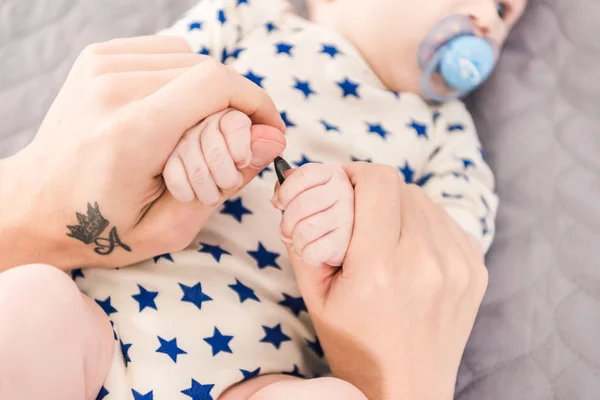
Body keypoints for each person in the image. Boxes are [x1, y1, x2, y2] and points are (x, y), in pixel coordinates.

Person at [0, 0, 526, 399]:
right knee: (29, 301)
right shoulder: (248, 18)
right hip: (96, 321)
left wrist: (357, 234)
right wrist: (191, 139)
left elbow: (445, 260)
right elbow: (141, 97)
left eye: (505, 11)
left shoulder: (449, 138)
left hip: (254, 377)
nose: (485, 18)